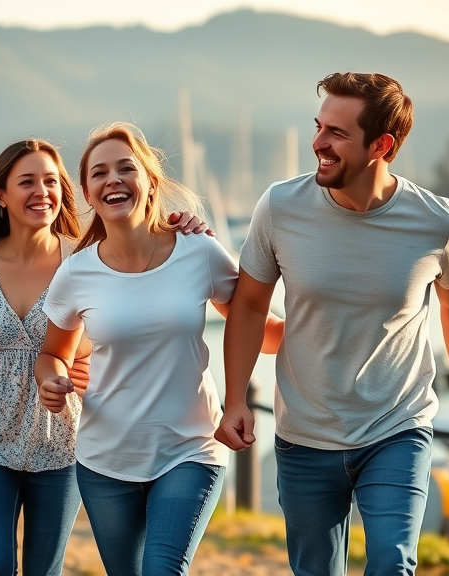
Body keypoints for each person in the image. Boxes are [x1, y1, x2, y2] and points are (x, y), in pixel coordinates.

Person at [0, 137, 211, 576]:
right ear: (1, 196)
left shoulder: (83, 259)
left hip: (65, 439)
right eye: (27, 182)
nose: (41, 192)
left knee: (45, 570)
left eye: (50, 182)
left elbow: (126, 325)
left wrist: (184, 227)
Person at [215, 72, 449, 576]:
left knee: (391, 563)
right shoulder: (280, 208)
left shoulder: (438, 221)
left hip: (396, 426)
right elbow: (250, 306)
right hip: (305, 431)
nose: (318, 142)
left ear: (381, 145)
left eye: (336, 133)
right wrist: (235, 399)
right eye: (319, 126)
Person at [35, 122, 282, 576]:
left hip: (190, 449)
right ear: (88, 194)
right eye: (99, 173)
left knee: (163, 570)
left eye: (126, 168)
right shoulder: (76, 273)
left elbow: (255, 327)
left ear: (150, 181)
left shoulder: (199, 252)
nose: (113, 179)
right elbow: (53, 353)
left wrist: (319, 327)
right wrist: (52, 381)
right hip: (105, 459)